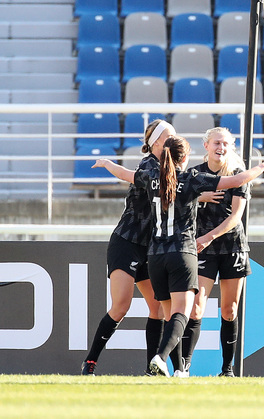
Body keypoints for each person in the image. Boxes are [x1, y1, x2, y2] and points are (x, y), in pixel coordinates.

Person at [92, 135, 264, 376]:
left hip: (155, 255)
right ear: (185, 157)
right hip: (182, 252)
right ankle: (162, 359)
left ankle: (180, 369)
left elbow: (124, 174)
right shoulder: (193, 179)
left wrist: (107, 163)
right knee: (181, 313)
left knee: (168, 313)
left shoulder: (153, 178)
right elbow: (237, 179)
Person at [81, 120, 175, 376]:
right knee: (121, 306)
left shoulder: (170, 167)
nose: (173, 140)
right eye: (169, 136)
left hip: (149, 247)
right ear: (155, 142)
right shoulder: (149, 166)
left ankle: (151, 369)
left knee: (157, 308)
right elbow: (165, 190)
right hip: (126, 242)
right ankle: (90, 362)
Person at [176, 127, 252, 377]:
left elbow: (236, 217)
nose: (221, 147)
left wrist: (209, 236)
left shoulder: (238, 175)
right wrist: (199, 198)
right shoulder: (193, 174)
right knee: (196, 306)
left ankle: (227, 370)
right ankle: (184, 367)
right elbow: (175, 204)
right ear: (206, 145)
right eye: (217, 143)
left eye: (226, 144)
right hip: (202, 248)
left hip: (231, 247)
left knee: (229, 309)